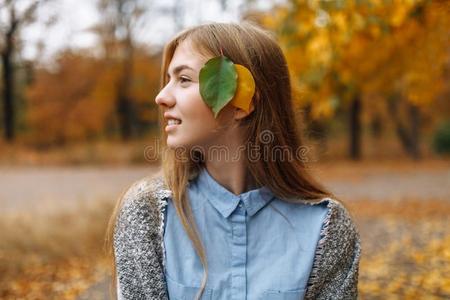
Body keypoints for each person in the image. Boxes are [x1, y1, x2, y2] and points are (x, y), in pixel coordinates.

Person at [107, 22, 361, 300]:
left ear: (241, 103)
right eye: (168, 79)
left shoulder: (327, 228)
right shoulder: (148, 214)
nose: (162, 97)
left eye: (184, 80)